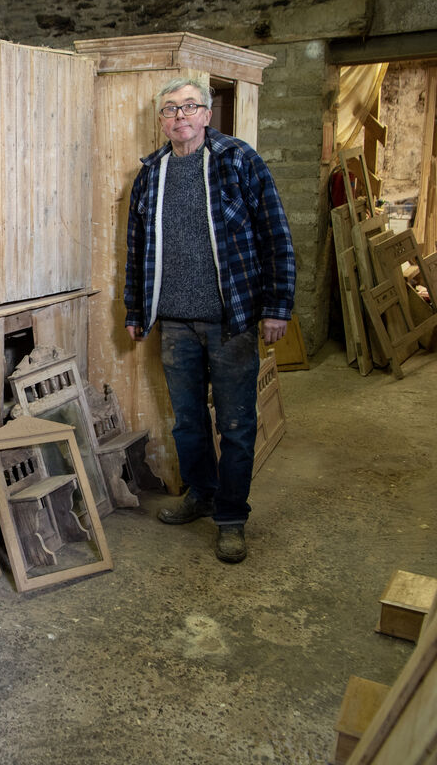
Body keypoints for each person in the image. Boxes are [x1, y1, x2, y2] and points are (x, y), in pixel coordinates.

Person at [123, 76, 295, 564]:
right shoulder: (150, 175)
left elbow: (276, 236)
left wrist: (277, 307)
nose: (180, 116)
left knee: (237, 423)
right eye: (170, 110)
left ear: (207, 114)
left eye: (189, 107)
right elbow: (137, 251)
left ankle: (231, 516)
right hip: (175, 322)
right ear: (161, 121)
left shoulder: (239, 161)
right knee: (190, 423)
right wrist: (136, 310)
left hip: (231, 319)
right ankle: (201, 494)